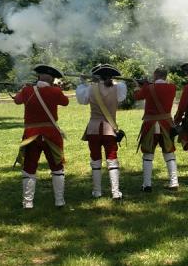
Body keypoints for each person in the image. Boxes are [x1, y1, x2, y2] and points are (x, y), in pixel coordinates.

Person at [13, 65, 70, 208]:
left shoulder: (27, 90)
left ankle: (27, 203)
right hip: (51, 134)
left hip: (31, 135)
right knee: (57, 168)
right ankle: (59, 201)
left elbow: (17, 100)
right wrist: (58, 89)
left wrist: (23, 89)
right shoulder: (55, 91)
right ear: (52, 79)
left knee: (29, 168)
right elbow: (65, 102)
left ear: (38, 76)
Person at [76, 64, 127, 199]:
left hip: (93, 129)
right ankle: (115, 192)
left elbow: (82, 100)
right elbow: (121, 95)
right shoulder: (119, 88)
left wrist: (82, 83)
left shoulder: (90, 89)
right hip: (110, 129)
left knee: (95, 159)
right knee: (112, 159)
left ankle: (97, 191)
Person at [133, 67, 179, 191]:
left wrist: (138, 86)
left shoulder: (148, 88)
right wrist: (147, 85)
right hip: (166, 124)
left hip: (150, 125)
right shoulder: (172, 87)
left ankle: (147, 185)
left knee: (148, 154)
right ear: (165, 76)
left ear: (155, 75)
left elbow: (137, 96)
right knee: (169, 153)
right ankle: (174, 182)